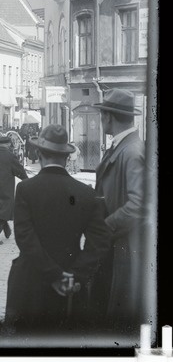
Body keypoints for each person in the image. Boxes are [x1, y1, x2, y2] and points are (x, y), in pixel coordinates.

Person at [3, 125, 111, 331]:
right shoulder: (86, 194)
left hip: (30, 281)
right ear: (67, 157)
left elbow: (25, 239)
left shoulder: (26, 189)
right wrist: (74, 275)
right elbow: (100, 242)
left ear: (39, 154)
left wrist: (54, 275)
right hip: (70, 287)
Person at [91, 89, 147, 330]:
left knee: (117, 315)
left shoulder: (132, 152)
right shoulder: (123, 146)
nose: (101, 119)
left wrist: (104, 227)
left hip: (124, 247)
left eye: (102, 114)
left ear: (109, 117)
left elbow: (139, 205)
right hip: (115, 245)